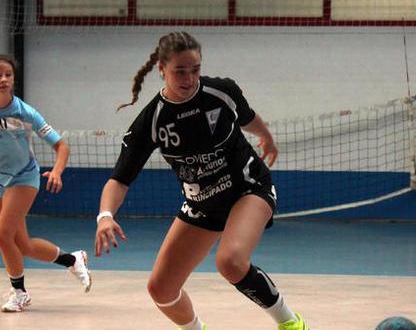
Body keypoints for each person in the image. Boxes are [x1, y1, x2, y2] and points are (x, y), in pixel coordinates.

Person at [94, 31, 308, 330]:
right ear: (162, 70)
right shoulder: (153, 120)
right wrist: (105, 216)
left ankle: (291, 324)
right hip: (202, 205)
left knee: (230, 261)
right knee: (160, 289)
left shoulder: (221, 92)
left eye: (195, 69)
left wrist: (267, 138)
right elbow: (119, 179)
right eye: (180, 71)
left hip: (248, 187)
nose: (189, 78)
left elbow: (248, 118)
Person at [0, 54, 91, 312]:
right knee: (23, 245)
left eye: (8, 75)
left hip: (25, 177)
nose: (3, 79)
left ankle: (20, 292)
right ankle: (72, 259)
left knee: (1, 235)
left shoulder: (25, 112)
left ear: (13, 79)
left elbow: (61, 146)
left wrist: (56, 171)